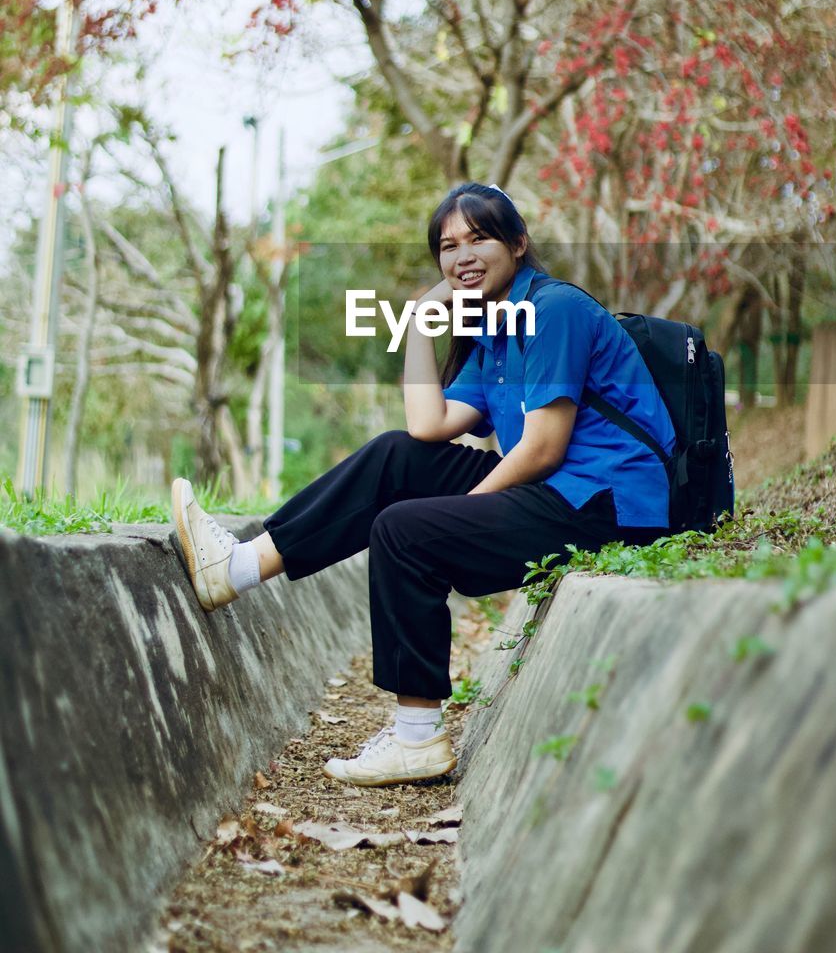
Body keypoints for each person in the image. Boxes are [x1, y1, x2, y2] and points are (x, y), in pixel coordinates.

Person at [171, 182, 676, 788]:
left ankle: (416, 739)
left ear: (519, 244)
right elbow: (426, 426)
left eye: (479, 237)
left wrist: (462, 508)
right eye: (447, 245)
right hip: (562, 490)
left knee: (406, 530)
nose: (462, 255)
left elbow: (543, 447)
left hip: (607, 504)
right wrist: (419, 324)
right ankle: (238, 567)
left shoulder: (554, 310)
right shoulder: (497, 332)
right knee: (397, 455)